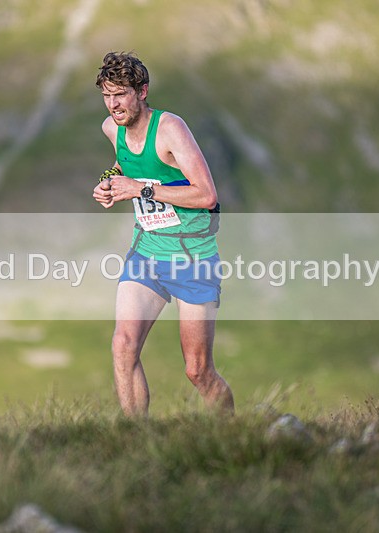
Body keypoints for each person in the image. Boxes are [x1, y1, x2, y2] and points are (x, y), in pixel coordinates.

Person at [92, 51, 234, 417]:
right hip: (147, 251)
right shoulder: (112, 129)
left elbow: (206, 195)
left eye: (120, 94)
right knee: (123, 346)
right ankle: (135, 442)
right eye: (107, 95)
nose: (113, 105)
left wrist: (138, 189)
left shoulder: (170, 128)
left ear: (142, 91)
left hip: (192, 257)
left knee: (198, 371)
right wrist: (109, 184)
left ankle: (234, 433)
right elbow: (125, 165)